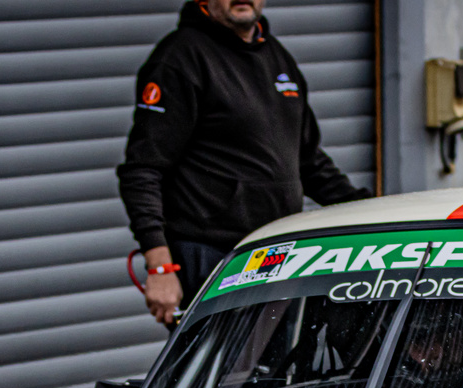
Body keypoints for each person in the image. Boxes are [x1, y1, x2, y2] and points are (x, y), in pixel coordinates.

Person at [117, 0, 371, 324]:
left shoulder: (276, 56)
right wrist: (160, 265)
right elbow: (143, 169)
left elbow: (308, 162)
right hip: (212, 257)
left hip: (276, 252)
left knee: (282, 355)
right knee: (216, 358)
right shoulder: (180, 58)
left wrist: (371, 209)